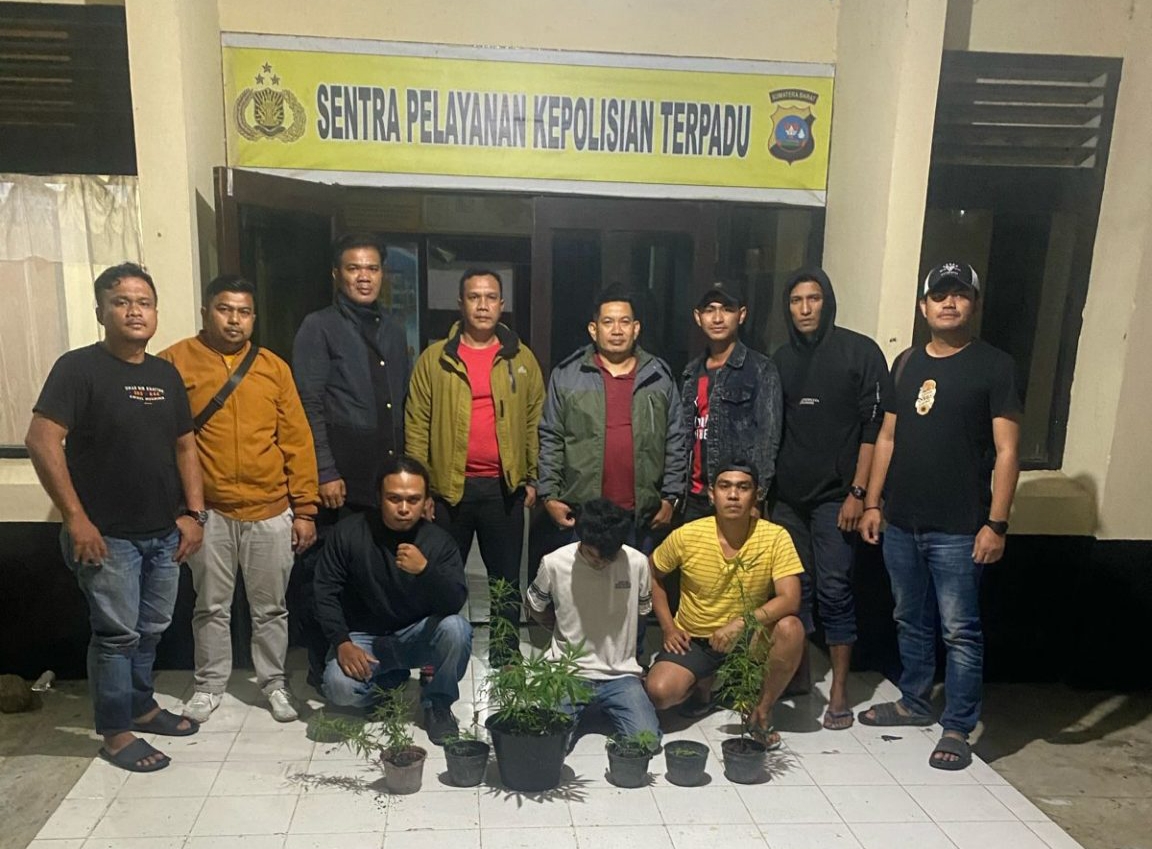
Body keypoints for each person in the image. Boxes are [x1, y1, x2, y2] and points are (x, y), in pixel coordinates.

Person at [25, 262, 204, 773]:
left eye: (144, 302)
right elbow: (41, 440)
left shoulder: (164, 374)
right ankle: (116, 731)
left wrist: (194, 514)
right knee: (116, 637)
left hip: (163, 533)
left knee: (151, 630)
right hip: (106, 537)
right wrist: (76, 519)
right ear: (101, 310)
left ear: (155, 312)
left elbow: (186, 446)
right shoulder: (78, 368)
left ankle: (141, 707)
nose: (134, 311)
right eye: (122, 302)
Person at [859, 262, 1020, 771]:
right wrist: (872, 503)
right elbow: (887, 436)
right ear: (923, 306)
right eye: (940, 295)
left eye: (960, 294)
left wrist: (997, 523)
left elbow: (1008, 451)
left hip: (960, 527)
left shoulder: (994, 366)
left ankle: (958, 724)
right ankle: (914, 700)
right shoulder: (906, 362)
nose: (949, 303)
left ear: (973, 303)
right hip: (901, 520)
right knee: (909, 617)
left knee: (959, 630)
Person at [159, 274, 320, 724]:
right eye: (225, 309)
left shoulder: (272, 367)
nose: (234, 320)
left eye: (244, 312)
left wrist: (305, 509)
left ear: (253, 318)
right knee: (210, 606)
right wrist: (180, 510)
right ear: (206, 312)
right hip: (208, 512)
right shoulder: (174, 362)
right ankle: (209, 685)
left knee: (271, 608)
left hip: (270, 509)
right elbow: (162, 441)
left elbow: (297, 440)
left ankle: (273, 683)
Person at [406, 268, 543, 665]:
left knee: (505, 580)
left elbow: (534, 419)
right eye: (474, 297)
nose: (483, 305)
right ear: (461, 303)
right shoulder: (435, 359)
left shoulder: (521, 358)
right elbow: (416, 424)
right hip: (449, 489)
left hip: (504, 488)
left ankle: (505, 653)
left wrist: (532, 475)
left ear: (502, 304)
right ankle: (439, 652)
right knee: (440, 575)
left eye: (491, 297)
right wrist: (420, 490)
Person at [772, 267, 889, 730]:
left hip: (837, 497)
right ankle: (797, 675)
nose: (804, 308)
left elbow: (874, 429)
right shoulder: (780, 360)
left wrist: (860, 493)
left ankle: (839, 690)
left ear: (827, 302)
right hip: (787, 499)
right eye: (796, 300)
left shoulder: (859, 352)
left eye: (813, 298)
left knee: (835, 590)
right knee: (793, 591)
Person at [312, 455, 471, 744]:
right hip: (364, 637)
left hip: (415, 634)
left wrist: (425, 570)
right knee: (338, 688)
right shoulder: (348, 533)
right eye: (394, 498)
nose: (404, 508)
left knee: (457, 629)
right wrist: (341, 642)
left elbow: (454, 602)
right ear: (379, 497)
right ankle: (386, 686)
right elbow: (325, 591)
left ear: (426, 502)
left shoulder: (438, 541)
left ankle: (437, 703)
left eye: (413, 500)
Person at [644, 462, 805, 748]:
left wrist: (742, 623)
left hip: (747, 637)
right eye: (725, 486)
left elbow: (790, 598)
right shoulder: (688, 534)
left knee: (791, 628)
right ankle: (703, 688)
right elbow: (652, 573)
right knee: (660, 692)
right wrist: (668, 627)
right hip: (695, 638)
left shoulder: (775, 536)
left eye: (743, 488)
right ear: (711, 494)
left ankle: (761, 711)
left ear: (756, 495)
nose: (733, 495)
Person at [537, 284, 687, 556]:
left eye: (624, 322)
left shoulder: (659, 376)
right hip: (583, 514)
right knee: (583, 583)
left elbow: (675, 440)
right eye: (608, 322)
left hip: (641, 515)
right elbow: (551, 439)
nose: (617, 330)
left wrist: (671, 498)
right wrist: (549, 496)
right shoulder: (568, 375)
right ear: (593, 329)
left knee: (637, 583)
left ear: (636, 328)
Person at [293, 233, 410, 514]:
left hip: (390, 478)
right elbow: (309, 405)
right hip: (342, 479)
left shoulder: (394, 330)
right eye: (353, 268)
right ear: (337, 274)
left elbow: (404, 401)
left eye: (372, 268)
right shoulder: (319, 326)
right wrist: (325, 471)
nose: (364, 277)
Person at [526, 498, 661, 742]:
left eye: (609, 557)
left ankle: (611, 706)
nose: (600, 562)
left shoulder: (637, 562)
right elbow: (535, 605)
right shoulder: (554, 562)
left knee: (647, 741)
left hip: (620, 674)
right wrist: (555, 625)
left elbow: (643, 611)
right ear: (581, 539)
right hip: (568, 670)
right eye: (591, 554)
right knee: (549, 742)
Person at [679, 280, 782, 520]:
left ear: (741, 315)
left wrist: (757, 498)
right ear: (698, 317)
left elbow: (767, 440)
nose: (717, 318)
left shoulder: (760, 369)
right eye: (709, 310)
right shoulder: (690, 372)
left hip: (736, 497)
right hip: (694, 496)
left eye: (726, 309)